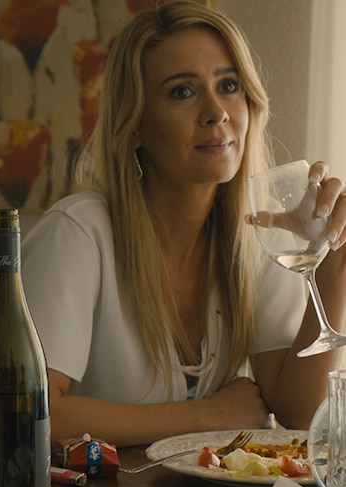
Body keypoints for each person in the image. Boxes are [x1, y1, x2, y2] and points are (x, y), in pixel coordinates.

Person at [21, 1, 346, 447]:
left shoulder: (256, 238)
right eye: (182, 92)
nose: (218, 112)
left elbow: (300, 417)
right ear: (135, 124)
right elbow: (26, 416)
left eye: (229, 85)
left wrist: (334, 266)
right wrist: (206, 416)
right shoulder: (79, 234)